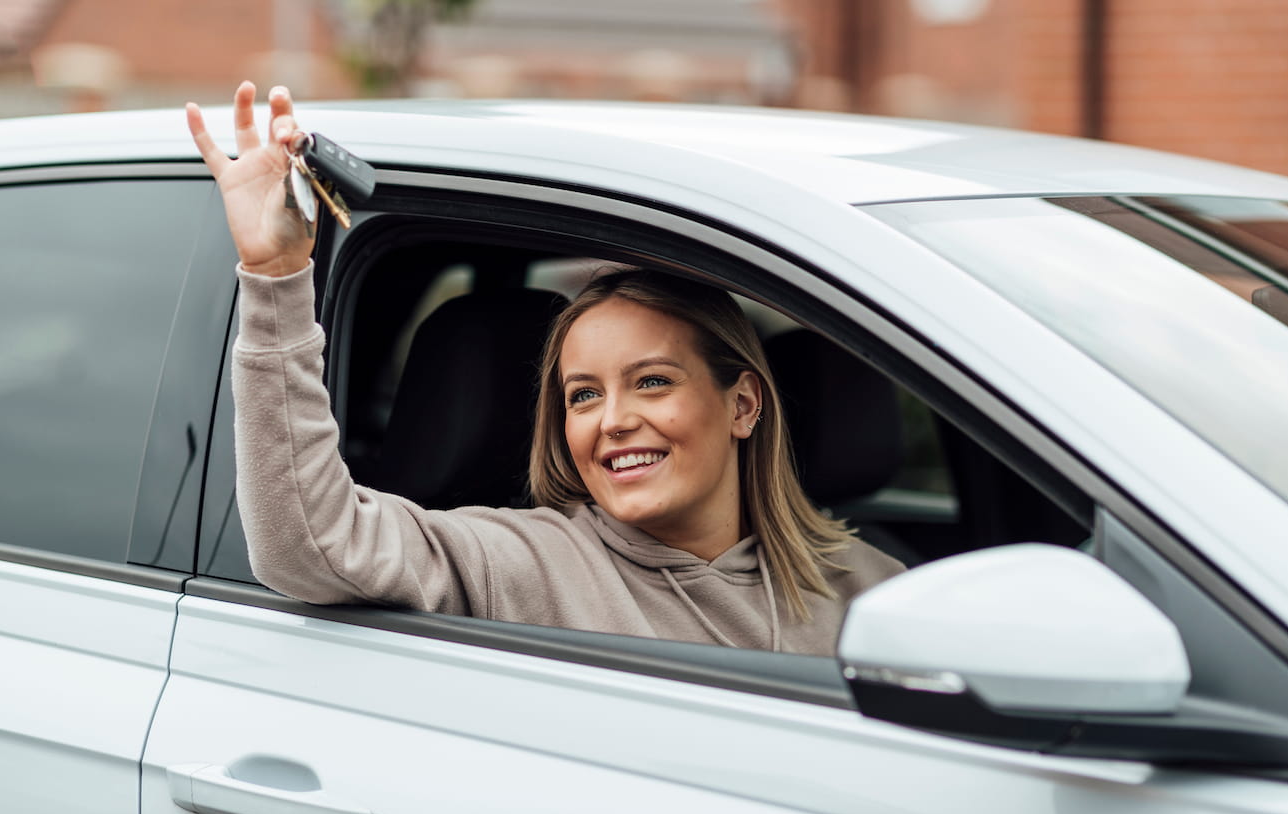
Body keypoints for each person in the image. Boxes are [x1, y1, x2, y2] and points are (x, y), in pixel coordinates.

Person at [186, 82, 904, 655]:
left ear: (743, 403)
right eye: (583, 395)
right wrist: (278, 276)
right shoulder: (527, 562)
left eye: (652, 380)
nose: (614, 421)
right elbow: (309, 544)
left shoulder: (874, 594)